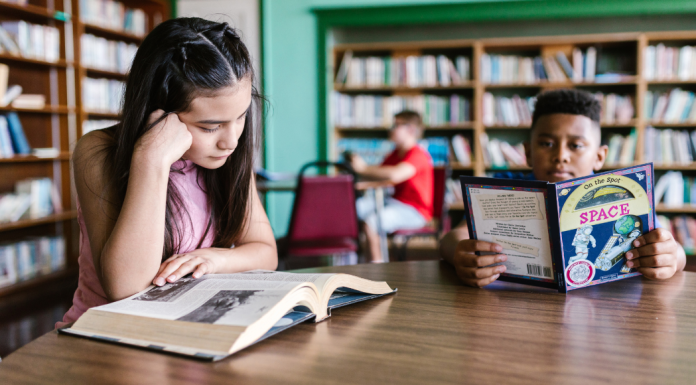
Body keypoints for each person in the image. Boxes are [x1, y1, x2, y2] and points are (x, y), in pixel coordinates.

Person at [57, 18, 277, 327]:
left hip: (185, 330)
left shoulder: (225, 154)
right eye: (210, 126)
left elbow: (265, 251)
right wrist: (151, 158)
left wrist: (215, 259)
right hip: (107, 335)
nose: (231, 140)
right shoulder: (97, 152)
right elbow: (125, 287)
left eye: (240, 117)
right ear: (158, 111)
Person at [440, 89, 686, 287]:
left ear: (599, 157)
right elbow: (453, 237)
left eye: (576, 145)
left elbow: (673, 250)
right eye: (547, 143)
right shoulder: (503, 187)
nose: (560, 156)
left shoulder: (620, 193)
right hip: (517, 303)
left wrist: (671, 257)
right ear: (527, 152)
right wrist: (460, 254)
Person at [348, 111, 434, 262]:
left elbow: (394, 175)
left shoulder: (418, 155)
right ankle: (350, 260)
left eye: (396, 125)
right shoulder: (395, 153)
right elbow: (378, 175)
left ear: (411, 129)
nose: (391, 129)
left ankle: (376, 268)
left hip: (415, 210)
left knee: (372, 222)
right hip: (394, 203)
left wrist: (362, 168)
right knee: (353, 208)